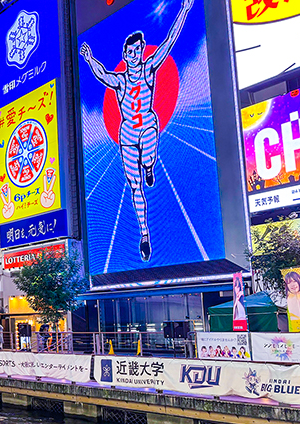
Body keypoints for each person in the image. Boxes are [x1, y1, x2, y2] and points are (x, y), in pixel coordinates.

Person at [79, 0, 193, 261]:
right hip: (127, 133)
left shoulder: (150, 68)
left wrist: (184, 10)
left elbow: (170, 40)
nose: (135, 54)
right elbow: (101, 74)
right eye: (131, 51)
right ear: (125, 54)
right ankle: (144, 234)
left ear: (141, 51)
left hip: (148, 126)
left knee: (148, 159)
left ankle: (150, 166)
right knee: (134, 184)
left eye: (138, 49)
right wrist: (88, 58)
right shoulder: (120, 81)